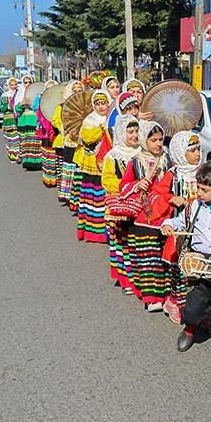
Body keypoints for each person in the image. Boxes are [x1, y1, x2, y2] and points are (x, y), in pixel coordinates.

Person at [161, 159, 211, 359]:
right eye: (199, 188)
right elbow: (179, 222)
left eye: (204, 190)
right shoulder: (194, 206)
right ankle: (190, 329)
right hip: (198, 264)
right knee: (194, 304)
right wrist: (168, 224)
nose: (199, 193)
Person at [119, 120, 174, 312]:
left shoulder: (169, 160)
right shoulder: (136, 161)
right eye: (153, 140)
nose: (158, 144)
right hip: (144, 216)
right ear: (144, 140)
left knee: (164, 256)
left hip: (166, 213)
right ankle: (152, 297)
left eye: (160, 139)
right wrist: (136, 185)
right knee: (148, 257)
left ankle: (167, 294)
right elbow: (123, 186)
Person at [160, 131, 205, 325]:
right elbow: (158, 192)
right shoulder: (173, 174)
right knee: (180, 267)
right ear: (179, 152)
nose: (197, 153)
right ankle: (175, 302)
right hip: (180, 227)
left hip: (201, 226)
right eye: (192, 150)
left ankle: (198, 306)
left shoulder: (204, 172)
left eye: (198, 149)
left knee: (198, 268)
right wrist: (171, 198)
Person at [102, 114, 141, 294]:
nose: (134, 135)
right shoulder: (113, 156)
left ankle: (140, 278)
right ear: (120, 132)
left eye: (137, 130)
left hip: (139, 204)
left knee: (137, 242)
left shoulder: (142, 152)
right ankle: (126, 279)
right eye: (130, 131)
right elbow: (107, 180)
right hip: (121, 205)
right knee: (123, 243)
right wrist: (127, 186)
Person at [73, 89, 111, 243]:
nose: (101, 107)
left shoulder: (112, 118)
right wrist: (101, 128)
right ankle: (92, 232)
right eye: (98, 104)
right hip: (93, 163)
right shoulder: (90, 120)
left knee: (105, 196)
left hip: (107, 161)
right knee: (93, 196)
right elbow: (87, 138)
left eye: (104, 103)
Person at [55, 80, 84, 205]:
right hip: (70, 142)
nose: (76, 93)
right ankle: (68, 195)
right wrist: (67, 129)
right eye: (74, 91)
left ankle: (78, 197)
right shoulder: (62, 107)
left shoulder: (87, 106)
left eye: (79, 91)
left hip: (82, 143)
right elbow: (57, 122)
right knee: (70, 167)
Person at [14, 75, 42, 171]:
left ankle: (37, 163)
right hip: (24, 121)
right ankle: (27, 162)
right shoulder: (20, 93)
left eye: (29, 82)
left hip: (34, 120)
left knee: (35, 142)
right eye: (25, 82)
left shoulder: (38, 93)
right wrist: (21, 104)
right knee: (26, 142)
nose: (27, 84)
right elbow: (16, 110)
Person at [0, 77, 20, 163]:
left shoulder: (20, 94)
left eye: (15, 84)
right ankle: (12, 156)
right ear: (9, 85)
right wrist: (9, 106)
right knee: (10, 139)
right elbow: (2, 107)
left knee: (17, 138)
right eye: (12, 85)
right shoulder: (5, 95)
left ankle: (18, 156)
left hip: (18, 119)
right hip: (8, 120)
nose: (14, 86)